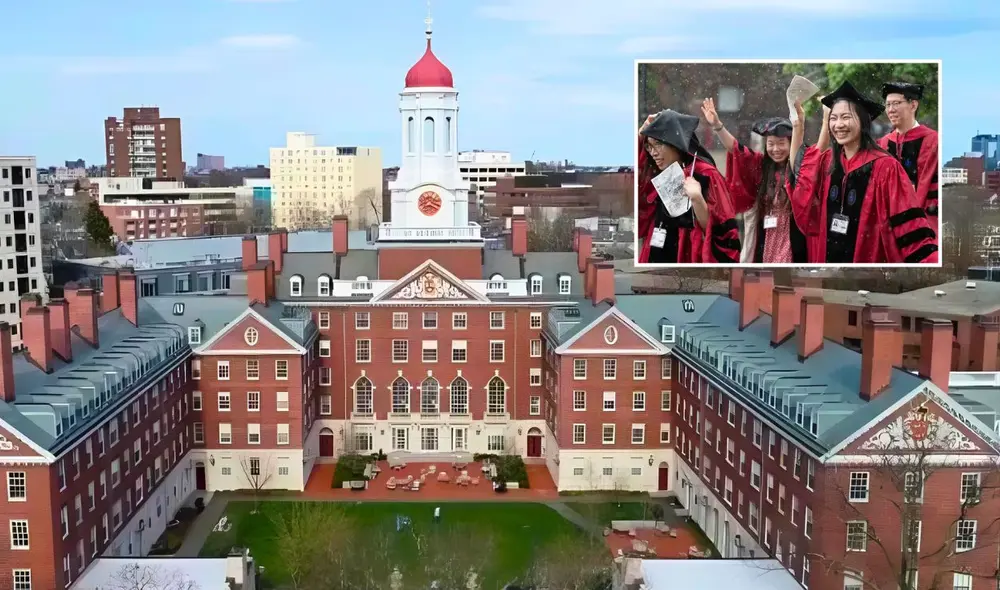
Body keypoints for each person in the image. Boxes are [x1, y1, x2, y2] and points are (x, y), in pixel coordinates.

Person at [787, 81, 937, 264]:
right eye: (833, 118)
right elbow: (801, 178)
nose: (839, 124)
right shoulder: (827, 162)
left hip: (865, 261)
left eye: (846, 117)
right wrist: (798, 125)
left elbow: (909, 225)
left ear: (863, 121)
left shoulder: (886, 167)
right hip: (828, 259)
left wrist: (929, 263)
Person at [702, 98, 805, 263]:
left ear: (791, 144)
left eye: (781, 143)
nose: (776, 149)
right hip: (765, 236)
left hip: (791, 237)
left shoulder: (799, 168)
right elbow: (736, 149)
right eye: (771, 144)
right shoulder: (760, 165)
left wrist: (800, 123)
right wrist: (717, 126)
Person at [637, 110, 741, 264]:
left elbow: (722, 233)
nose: (653, 153)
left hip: (688, 254)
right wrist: (641, 134)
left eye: (658, 144)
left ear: (674, 142)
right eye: (649, 146)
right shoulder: (656, 173)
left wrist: (698, 200)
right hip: (655, 252)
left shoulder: (706, 174)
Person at [878, 81, 939, 221]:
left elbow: (931, 188)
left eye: (896, 103)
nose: (891, 109)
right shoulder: (883, 143)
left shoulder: (932, 141)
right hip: (889, 220)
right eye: (888, 105)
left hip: (923, 221)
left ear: (913, 105)